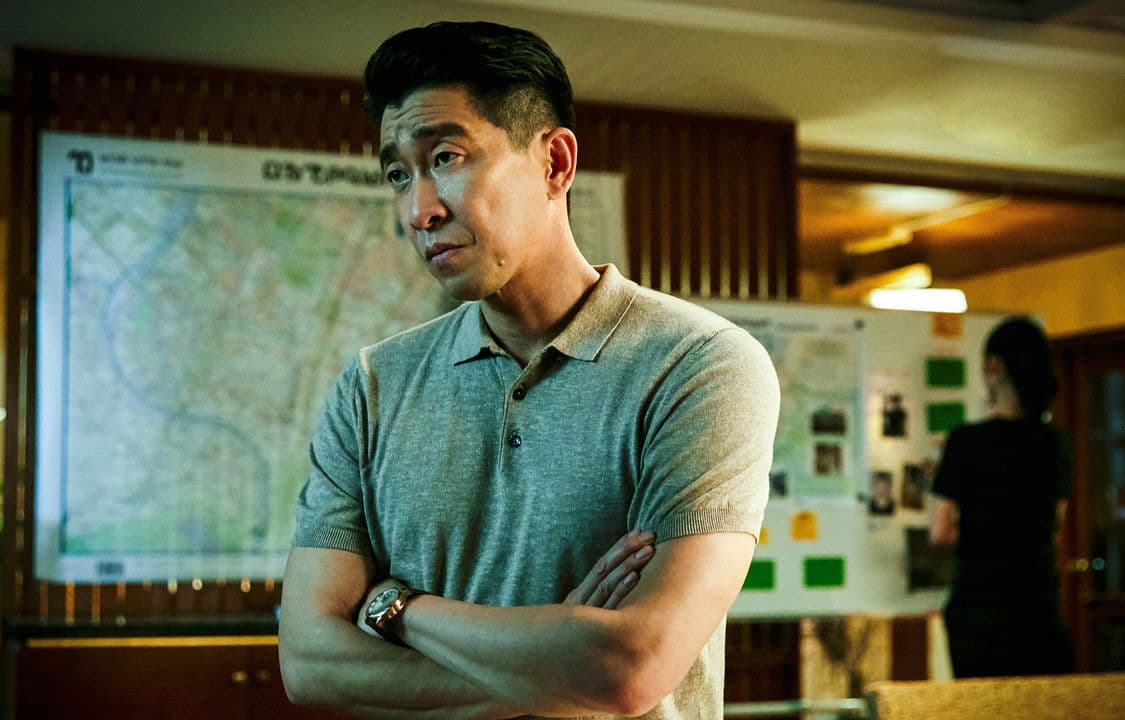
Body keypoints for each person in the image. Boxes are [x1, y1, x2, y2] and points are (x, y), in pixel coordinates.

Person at [277, 21, 780, 720]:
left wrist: (397, 608)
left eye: (446, 157)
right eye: (398, 174)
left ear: (555, 164)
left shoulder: (700, 365)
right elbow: (308, 663)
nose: (419, 210)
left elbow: (631, 668)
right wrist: (558, 659)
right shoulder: (372, 386)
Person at [929, 316, 1074, 678]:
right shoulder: (1055, 443)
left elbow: (940, 532)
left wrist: (980, 530)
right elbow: (1055, 528)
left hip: (978, 614)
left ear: (992, 366)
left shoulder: (965, 442)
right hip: (1038, 612)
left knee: (983, 703)